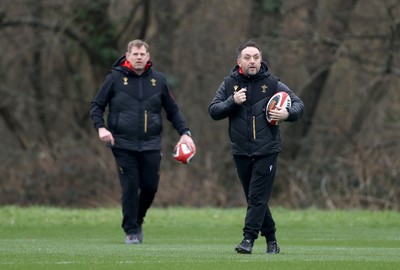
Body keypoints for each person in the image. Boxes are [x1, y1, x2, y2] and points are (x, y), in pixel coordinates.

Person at [90, 39, 196, 244]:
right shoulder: (114, 79)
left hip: (151, 144)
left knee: (150, 187)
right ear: (128, 56)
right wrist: (101, 128)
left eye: (142, 54)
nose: (139, 57)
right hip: (122, 144)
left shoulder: (159, 80)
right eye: (135, 54)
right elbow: (96, 106)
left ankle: (137, 220)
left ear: (148, 57)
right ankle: (130, 231)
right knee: (130, 187)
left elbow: (172, 110)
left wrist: (185, 133)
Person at [208, 40, 304, 254]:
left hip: (267, 150)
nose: (252, 61)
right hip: (240, 151)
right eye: (247, 58)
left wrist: (287, 114)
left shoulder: (272, 84)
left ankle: (248, 240)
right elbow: (213, 111)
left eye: (256, 57)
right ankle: (272, 240)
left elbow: (299, 105)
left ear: (261, 60)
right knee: (255, 198)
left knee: (256, 197)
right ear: (239, 61)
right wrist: (232, 101)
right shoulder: (228, 84)